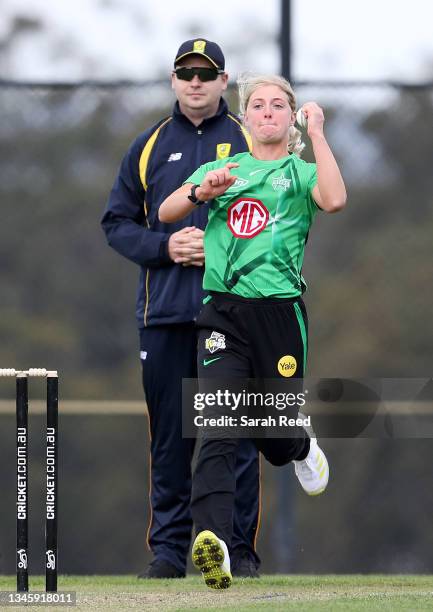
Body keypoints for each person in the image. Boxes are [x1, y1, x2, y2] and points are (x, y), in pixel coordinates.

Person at [159, 73, 347, 589]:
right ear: (245, 118)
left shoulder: (299, 171)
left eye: (277, 107)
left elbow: (333, 200)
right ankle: (214, 543)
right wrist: (201, 189)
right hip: (223, 315)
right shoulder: (225, 169)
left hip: (281, 318)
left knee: (273, 436)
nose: (267, 113)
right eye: (258, 106)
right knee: (218, 427)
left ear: (290, 119)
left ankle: (301, 445)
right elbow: (166, 210)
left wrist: (320, 136)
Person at [101, 39, 262, 579]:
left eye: (206, 73)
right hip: (165, 315)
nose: (195, 82)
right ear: (173, 81)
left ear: (223, 81)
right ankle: (169, 552)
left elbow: (279, 221)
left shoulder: (249, 139)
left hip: (235, 316)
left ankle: (239, 552)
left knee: (234, 435)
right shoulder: (149, 145)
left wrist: (218, 251)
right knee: (171, 438)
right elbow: (117, 223)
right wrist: (166, 247)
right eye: (186, 73)